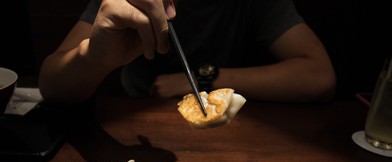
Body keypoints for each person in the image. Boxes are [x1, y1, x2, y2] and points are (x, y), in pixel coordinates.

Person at [38, 0, 336, 104]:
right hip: (136, 119)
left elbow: (319, 76)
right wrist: (95, 57)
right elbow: (51, 86)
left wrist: (201, 79)